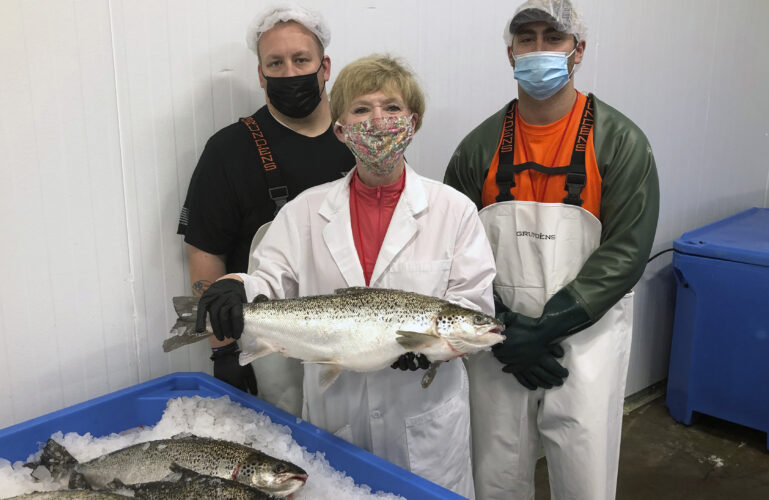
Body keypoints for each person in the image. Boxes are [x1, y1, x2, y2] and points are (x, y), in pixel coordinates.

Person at [194, 54, 497, 499]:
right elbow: (270, 280)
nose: (378, 121)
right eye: (361, 109)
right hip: (337, 410)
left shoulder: (453, 210)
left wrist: (435, 351)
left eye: (392, 108)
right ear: (340, 129)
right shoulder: (304, 210)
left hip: (423, 416)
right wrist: (236, 287)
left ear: (412, 123)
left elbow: (474, 305)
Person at [444, 1, 659, 499]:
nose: (539, 49)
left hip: (585, 341)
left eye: (553, 37)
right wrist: (505, 327)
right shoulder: (478, 148)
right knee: (495, 471)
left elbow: (626, 251)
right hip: (499, 344)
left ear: (577, 50)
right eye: (527, 38)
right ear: (510, 51)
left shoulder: (620, 142)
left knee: (584, 471)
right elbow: (454, 250)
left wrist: (547, 327)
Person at [176, 3, 353, 402]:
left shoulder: (359, 138)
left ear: (325, 67)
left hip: (353, 344)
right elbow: (205, 253)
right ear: (260, 74)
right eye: (275, 63)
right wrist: (222, 349)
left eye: (301, 59)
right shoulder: (228, 151)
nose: (290, 73)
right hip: (270, 353)